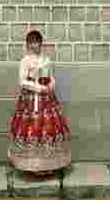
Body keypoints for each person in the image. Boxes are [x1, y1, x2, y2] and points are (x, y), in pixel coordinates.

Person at [8, 30, 72, 173]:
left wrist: (51, 84)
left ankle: (48, 164)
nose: (34, 45)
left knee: (49, 127)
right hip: (31, 99)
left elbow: (51, 75)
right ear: (27, 44)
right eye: (31, 43)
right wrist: (37, 88)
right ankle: (31, 165)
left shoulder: (46, 59)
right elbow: (22, 81)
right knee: (32, 127)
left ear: (41, 43)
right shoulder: (25, 61)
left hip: (47, 97)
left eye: (36, 42)